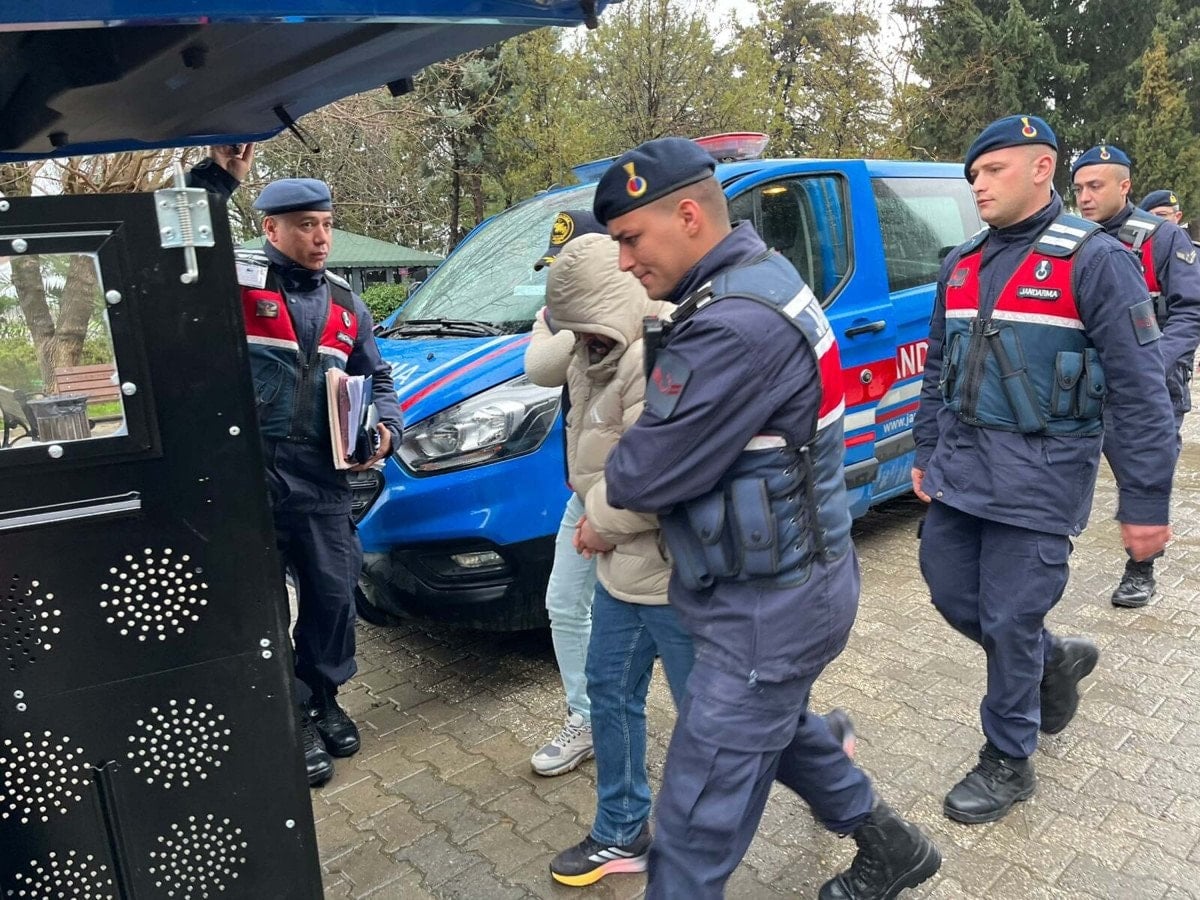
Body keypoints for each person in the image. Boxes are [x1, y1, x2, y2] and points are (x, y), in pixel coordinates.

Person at [599, 137, 940, 900]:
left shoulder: (731, 324)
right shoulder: (764, 277)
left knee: (691, 826)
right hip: (782, 587)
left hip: (767, 609)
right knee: (776, 729)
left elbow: (639, 474)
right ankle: (894, 848)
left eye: (631, 239)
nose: (623, 262)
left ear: (689, 217)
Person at [913, 116, 1176, 825]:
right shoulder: (961, 262)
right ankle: (1052, 660)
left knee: (1009, 618)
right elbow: (937, 367)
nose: (978, 184)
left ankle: (1009, 757)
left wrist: (1145, 502)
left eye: (992, 170)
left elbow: (1140, 391)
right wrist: (924, 452)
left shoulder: (1095, 261)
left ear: (1040, 168)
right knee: (950, 591)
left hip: (1040, 477)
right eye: (973, 174)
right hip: (961, 471)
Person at [529, 231, 695, 886]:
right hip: (624, 570)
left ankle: (846, 796)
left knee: (720, 717)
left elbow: (670, 475)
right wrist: (560, 321)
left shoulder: (663, 354)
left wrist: (599, 522)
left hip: (677, 575)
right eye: (571, 328)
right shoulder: (591, 348)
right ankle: (622, 828)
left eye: (584, 325)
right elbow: (542, 367)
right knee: (609, 691)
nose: (577, 340)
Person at [232, 177, 403, 787]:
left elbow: (377, 377)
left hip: (323, 475)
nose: (321, 237)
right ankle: (291, 714)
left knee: (333, 595)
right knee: (263, 608)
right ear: (271, 228)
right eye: (306, 224)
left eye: (326, 223)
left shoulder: (346, 301)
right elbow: (179, 257)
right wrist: (214, 182)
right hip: (251, 475)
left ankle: (323, 696)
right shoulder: (238, 282)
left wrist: (389, 427)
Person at [1072, 145, 1200, 607]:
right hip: (1083, 383)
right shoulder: (1073, 239)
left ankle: (1141, 568)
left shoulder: (1163, 238)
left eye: (1095, 186)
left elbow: (1190, 312)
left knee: (1142, 473)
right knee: (1065, 467)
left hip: (1149, 386)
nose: (1085, 197)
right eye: (1078, 188)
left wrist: (1146, 365)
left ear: (1124, 186)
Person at [523, 210, 607, 777]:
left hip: (636, 499)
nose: (558, 280)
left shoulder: (640, 312)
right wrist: (564, 322)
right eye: (555, 268)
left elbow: (546, 357)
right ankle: (589, 716)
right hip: (585, 491)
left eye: (569, 266)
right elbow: (540, 368)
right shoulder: (565, 314)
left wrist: (562, 325)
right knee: (564, 603)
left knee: (674, 622)